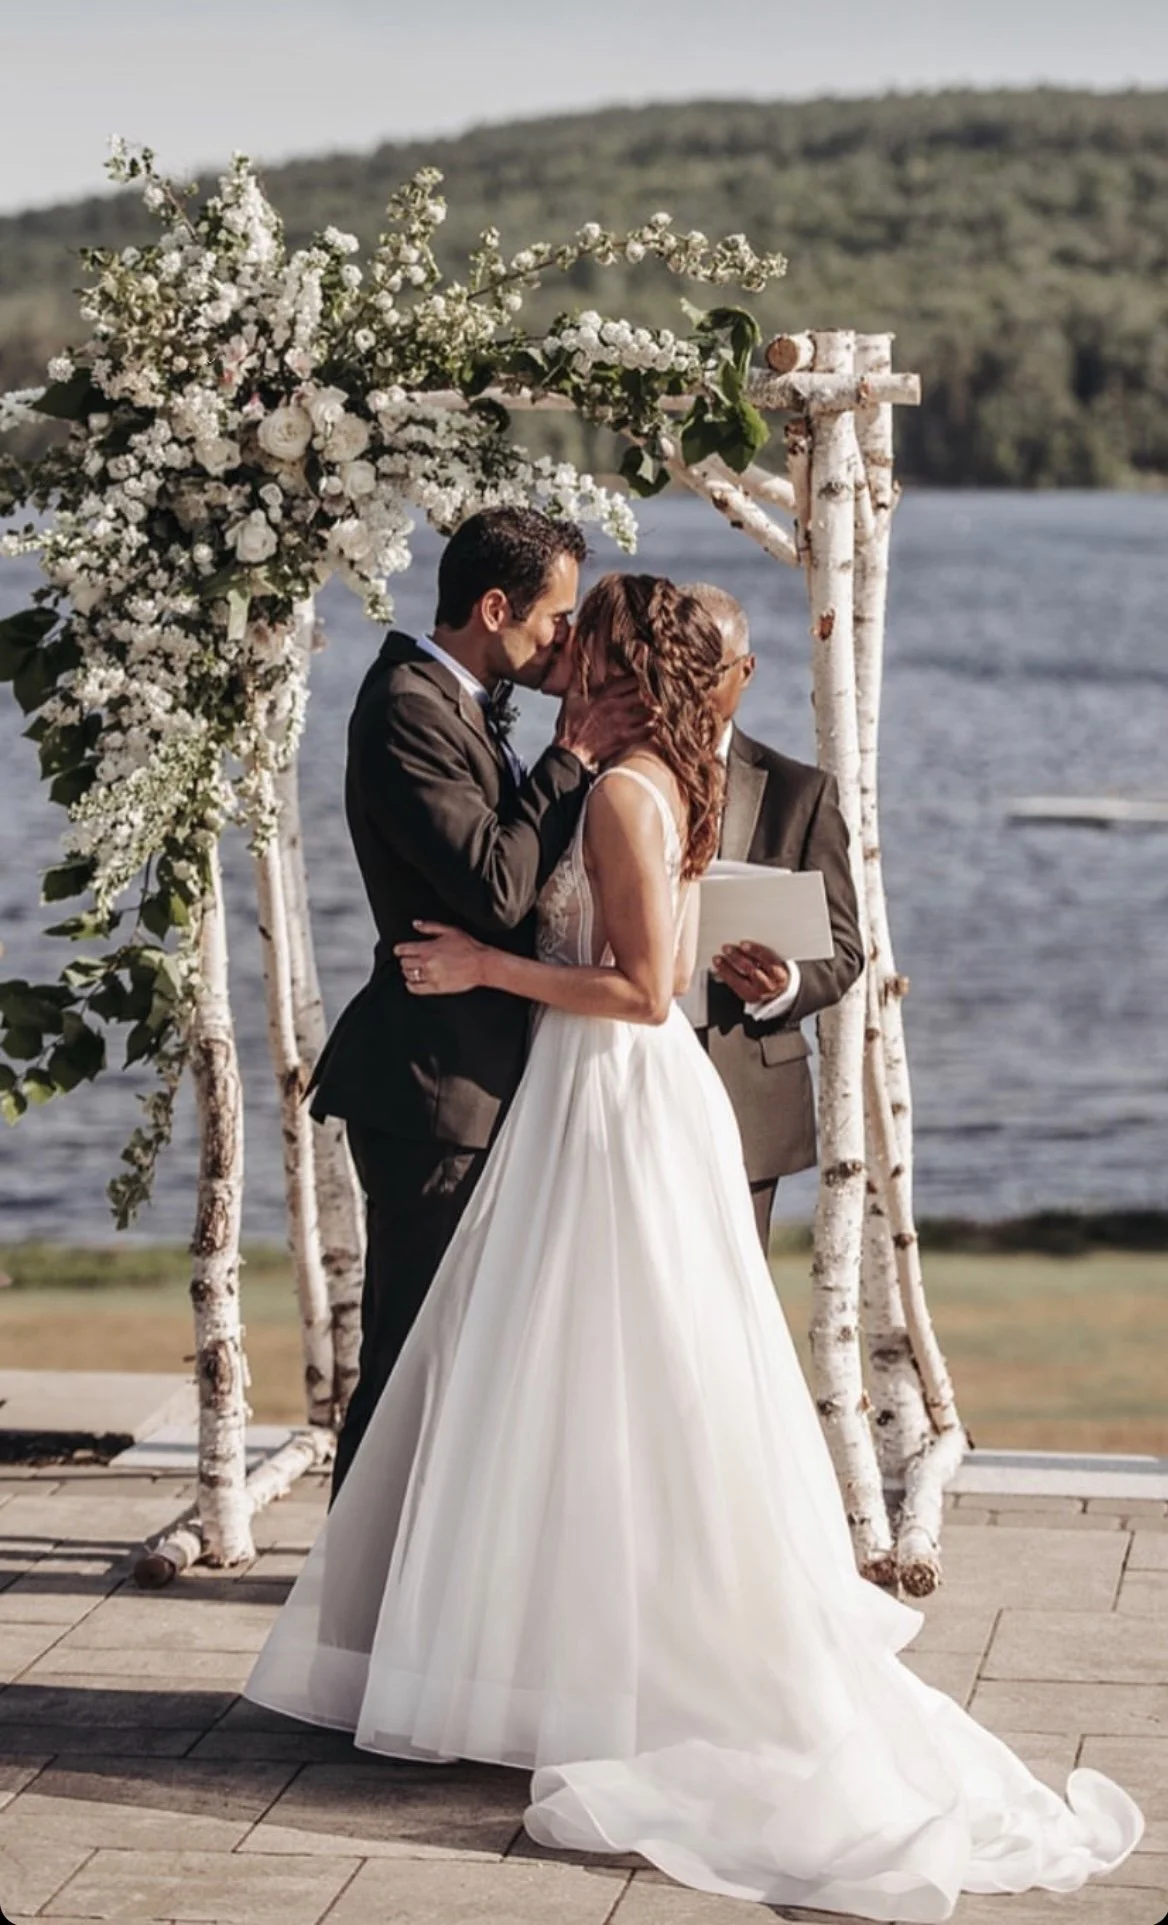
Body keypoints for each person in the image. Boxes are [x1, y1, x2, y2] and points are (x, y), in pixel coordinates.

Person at [245, 572, 1143, 1921]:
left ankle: (612, 1667)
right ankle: (580, 1654)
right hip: (615, 1101)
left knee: (605, 1374)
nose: (567, 653)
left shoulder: (622, 792)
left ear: (623, 661)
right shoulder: (659, 774)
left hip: (611, 1093)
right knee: (613, 1380)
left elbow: (637, 986)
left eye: (587, 639)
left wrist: (486, 970)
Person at [306, 507, 643, 1498]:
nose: (565, 641)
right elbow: (495, 885)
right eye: (555, 617)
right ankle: (349, 1617)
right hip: (432, 1085)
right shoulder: (407, 706)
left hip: (480, 1074)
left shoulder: (454, 701)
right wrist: (571, 757)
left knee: (464, 1365)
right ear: (494, 608)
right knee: (409, 1361)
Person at [678, 582, 864, 1248]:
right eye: (678, 668)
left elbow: (845, 950)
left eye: (710, 671)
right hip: (633, 1071)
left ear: (745, 671)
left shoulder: (799, 793)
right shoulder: (612, 776)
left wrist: (784, 986)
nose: (692, 689)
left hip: (747, 1088)